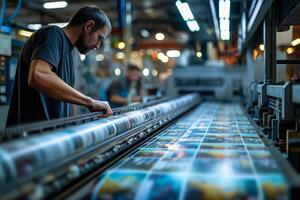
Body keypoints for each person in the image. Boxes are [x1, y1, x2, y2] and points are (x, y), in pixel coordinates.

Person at [6, 6, 113, 127]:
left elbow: (67, 97)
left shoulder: (71, 53)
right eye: (99, 38)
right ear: (88, 26)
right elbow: (38, 75)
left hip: (52, 139)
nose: (98, 45)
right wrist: (89, 102)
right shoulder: (52, 34)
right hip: (30, 140)